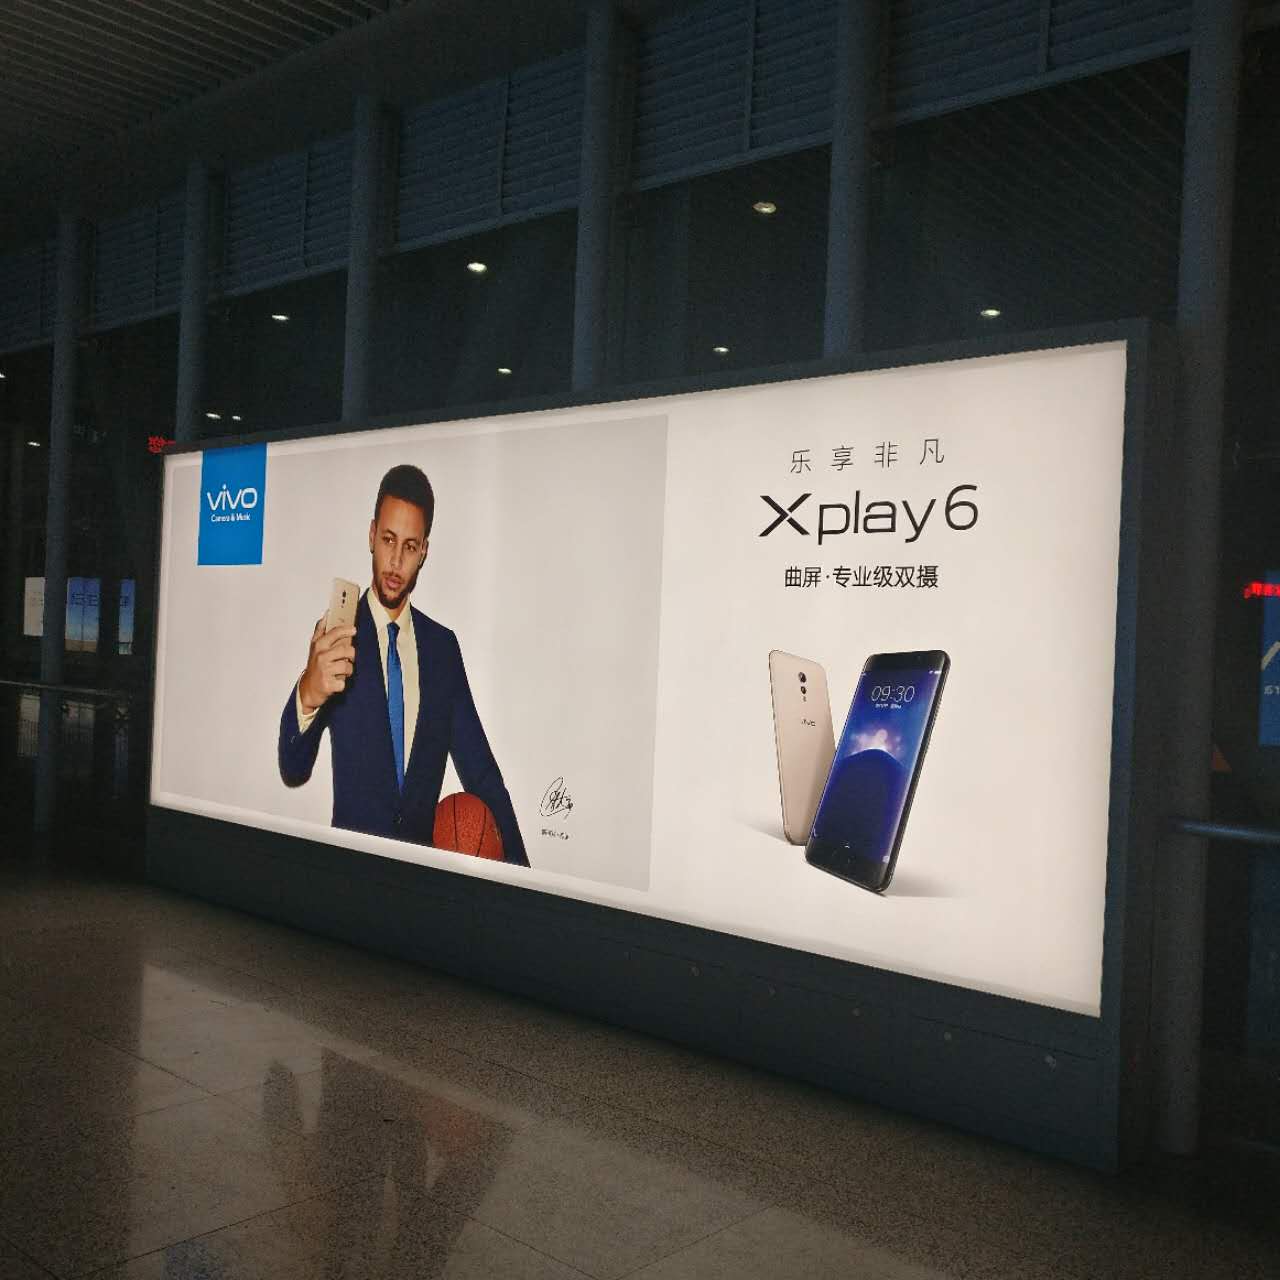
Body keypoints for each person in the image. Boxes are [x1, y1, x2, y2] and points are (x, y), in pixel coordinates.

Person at [277, 463, 529, 867]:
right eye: (388, 540)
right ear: (371, 535)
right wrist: (308, 693)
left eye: (410, 547)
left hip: (419, 882)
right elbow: (293, 768)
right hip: (349, 875)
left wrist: (522, 877)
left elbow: (480, 772)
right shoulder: (338, 635)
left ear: (424, 551)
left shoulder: (442, 649)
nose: (395, 561)